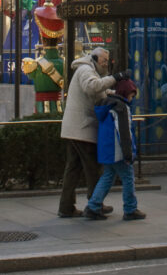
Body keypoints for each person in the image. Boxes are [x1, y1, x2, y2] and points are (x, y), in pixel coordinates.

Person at [58, 47, 131, 218]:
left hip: (75, 128)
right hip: (82, 128)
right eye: (104, 61)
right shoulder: (85, 69)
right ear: (95, 59)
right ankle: (94, 204)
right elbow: (92, 87)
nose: (106, 64)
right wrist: (115, 78)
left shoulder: (90, 71)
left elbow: (99, 91)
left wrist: (114, 91)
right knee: (92, 168)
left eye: (108, 61)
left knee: (73, 169)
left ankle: (66, 206)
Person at [84, 78, 145, 221]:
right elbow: (124, 132)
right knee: (128, 178)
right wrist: (128, 153)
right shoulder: (121, 108)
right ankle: (130, 209)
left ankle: (93, 206)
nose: (132, 97)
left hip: (107, 150)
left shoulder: (108, 105)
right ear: (125, 93)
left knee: (107, 176)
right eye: (131, 94)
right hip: (118, 151)